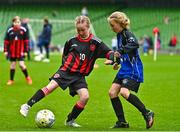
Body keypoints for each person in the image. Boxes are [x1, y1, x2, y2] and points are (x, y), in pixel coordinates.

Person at [20, 15, 115, 127]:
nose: (80, 32)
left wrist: (115, 58)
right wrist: (64, 68)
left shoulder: (96, 43)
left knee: (85, 97)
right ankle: (27, 105)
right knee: (50, 87)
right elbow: (65, 55)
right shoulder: (71, 41)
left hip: (79, 76)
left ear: (88, 27)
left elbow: (109, 53)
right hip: (65, 71)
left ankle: (70, 120)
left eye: (83, 30)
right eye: (78, 30)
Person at [105, 11, 154, 129]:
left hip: (133, 69)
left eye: (113, 25)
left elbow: (134, 44)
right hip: (124, 69)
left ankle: (147, 113)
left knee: (124, 92)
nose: (111, 28)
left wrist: (120, 52)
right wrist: (115, 62)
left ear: (120, 23)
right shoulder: (119, 36)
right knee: (112, 93)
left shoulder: (127, 34)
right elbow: (122, 54)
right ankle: (122, 122)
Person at [4, 16, 32, 85]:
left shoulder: (23, 30)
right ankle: (11, 80)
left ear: (20, 22)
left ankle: (27, 77)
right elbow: (6, 41)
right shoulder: (9, 30)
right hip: (12, 52)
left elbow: (26, 41)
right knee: (12, 65)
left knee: (21, 65)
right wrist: (5, 50)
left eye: (18, 22)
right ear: (13, 23)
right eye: (15, 22)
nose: (17, 23)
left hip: (20, 52)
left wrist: (26, 51)